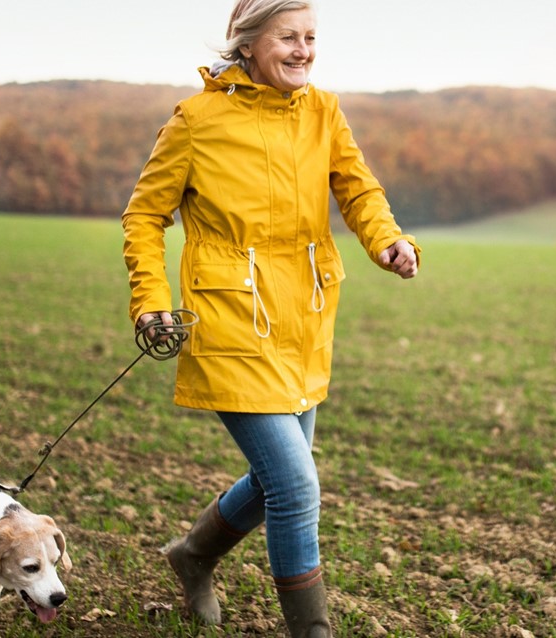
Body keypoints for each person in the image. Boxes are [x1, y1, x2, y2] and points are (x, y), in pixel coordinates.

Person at [119, 0, 420, 635]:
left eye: (311, 37)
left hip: (305, 317)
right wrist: (149, 302)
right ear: (249, 42)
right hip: (228, 319)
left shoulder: (323, 111)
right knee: (295, 487)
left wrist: (387, 241)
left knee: (277, 476)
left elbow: (357, 187)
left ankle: (193, 556)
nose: (304, 50)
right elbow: (145, 216)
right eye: (289, 37)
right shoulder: (196, 120)